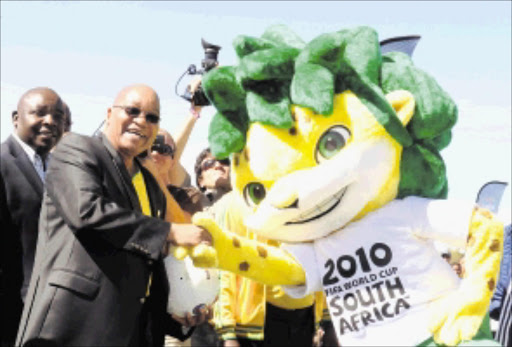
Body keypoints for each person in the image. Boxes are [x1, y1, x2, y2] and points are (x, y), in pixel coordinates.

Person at [15, 84, 212, 346]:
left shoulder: (152, 186)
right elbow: (87, 212)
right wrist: (170, 231)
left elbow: (147, 262)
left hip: (130, 331)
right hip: (70, 327)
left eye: (152, 117)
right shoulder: (76, 149)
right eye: (132, 111)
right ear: (109, 113)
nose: (141, 121)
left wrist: (179, 313)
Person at [0, 87, 66, 346]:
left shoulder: (60, 171)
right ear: (16, 118)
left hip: (51, 313)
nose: (50, 121)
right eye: (39, 113)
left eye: (58, 116)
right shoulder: (3, 163)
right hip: (10, 314)